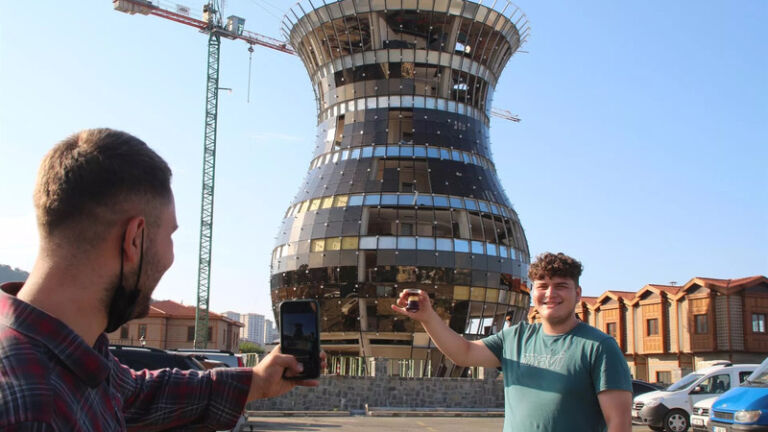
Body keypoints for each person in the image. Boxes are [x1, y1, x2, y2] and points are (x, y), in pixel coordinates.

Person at [0, 128, 325, 431]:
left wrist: (257, 381)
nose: (171, 257)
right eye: (170, 235)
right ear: (135, 239)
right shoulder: (34, 411)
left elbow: (137, 394)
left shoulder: (72, 358)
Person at [392, 252, 632, 432]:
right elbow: (463, 353)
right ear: (532, 292)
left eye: (561, 286)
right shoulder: (515, 337)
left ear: (577, 293)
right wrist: (428, 317)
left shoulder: (599, 347)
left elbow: (618, 423)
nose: (550, 294)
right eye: (543, 286)